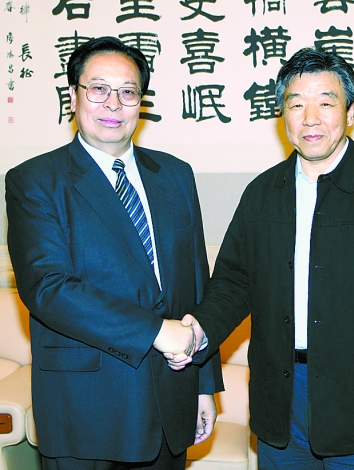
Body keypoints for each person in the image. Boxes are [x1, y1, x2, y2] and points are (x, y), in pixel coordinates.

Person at [165, 47, 354, 469]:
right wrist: (199, 331)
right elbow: (233, 284)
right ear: (283, 115)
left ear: (349, 112)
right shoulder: (262, 194)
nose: (310, 118)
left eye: (326, 102)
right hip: (281, 396)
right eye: (296, 104)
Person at [5, 36, 223, 470]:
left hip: (171, 403)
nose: (113, 104)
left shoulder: (175, 174)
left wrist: (204, 385)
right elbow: (48, 288)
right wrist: (156, 332)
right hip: (86, 411)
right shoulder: (36, 180)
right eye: (98, 89)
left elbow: (198, 285)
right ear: (73, 96)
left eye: (128, 92)